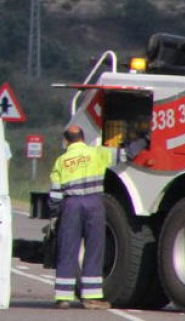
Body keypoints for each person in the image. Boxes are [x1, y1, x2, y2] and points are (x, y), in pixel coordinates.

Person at [49, 125, 144, 310]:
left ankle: (63, 297)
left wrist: (54, 215)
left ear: (66, 141)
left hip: (71, 205)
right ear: (83, 139)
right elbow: (127, 154)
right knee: (94, 249)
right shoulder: (97, 153)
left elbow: (54, 195)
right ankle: (91, 298)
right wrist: (144, 139)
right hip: (94, 204)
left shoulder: (61, 161)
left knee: (68, 249)